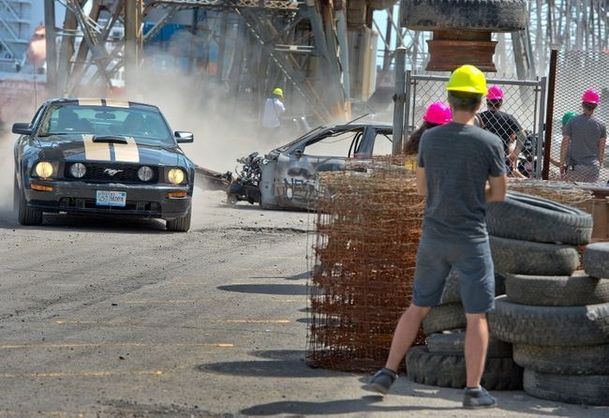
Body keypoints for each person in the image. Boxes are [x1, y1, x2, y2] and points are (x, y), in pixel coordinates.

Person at [365, 64, 507, 410]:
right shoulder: (491, 142)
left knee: (418, 306)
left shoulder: (429, 138)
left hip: (434, 237)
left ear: (450, 98)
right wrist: (475, 195)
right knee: (476, 316)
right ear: (480, 102)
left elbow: (422, 188)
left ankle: (386, 372)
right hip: (471, 239)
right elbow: (500, 194)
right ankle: (473, 390)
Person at [478, 85, 527, 177]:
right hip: (501, 161)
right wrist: (514, 155)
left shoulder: (479, 117)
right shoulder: (508, 118)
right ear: (501, 102)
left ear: (487, 101)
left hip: (481, 160)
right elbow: (522, 135)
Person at [560, 89, 607, 183]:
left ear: (582, 104)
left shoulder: (572, 121)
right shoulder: (601, 125)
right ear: (596, 106)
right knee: (589, 195)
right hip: (593, 168)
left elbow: (565, 143)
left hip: (576, 167)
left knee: (574, 195)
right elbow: (602, 149)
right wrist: (599, 164)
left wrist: (562, 164)